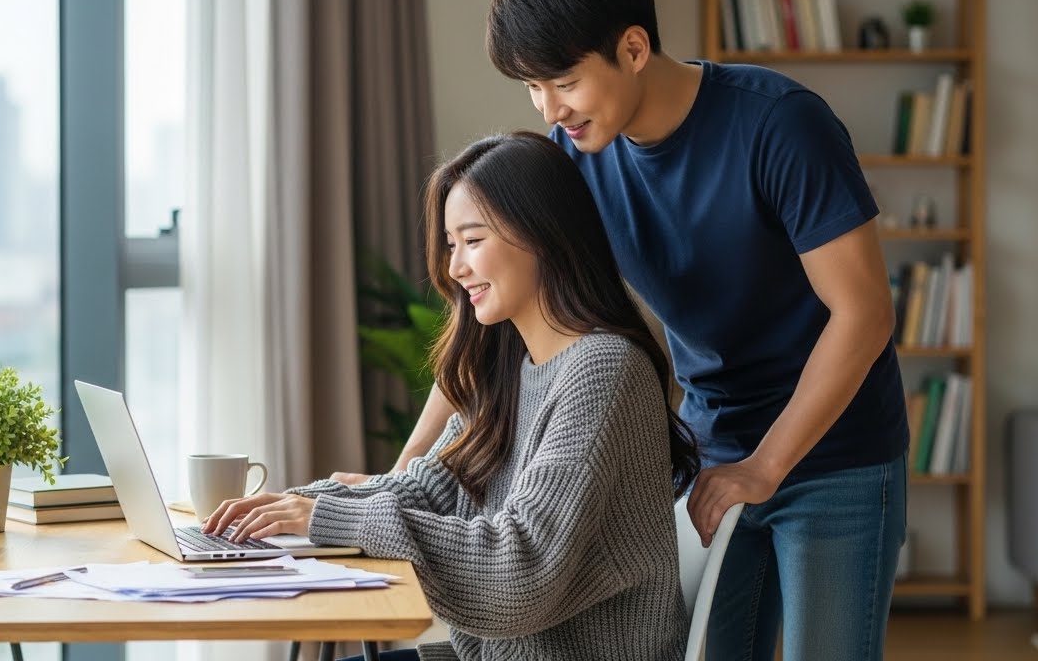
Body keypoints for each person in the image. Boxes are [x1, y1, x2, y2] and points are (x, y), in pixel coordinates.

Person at [381, 0, 910, 661]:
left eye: (563, 81)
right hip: (713, 444)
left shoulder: (779, 124)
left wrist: (765, 466)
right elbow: (499, 316)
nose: (549, 110)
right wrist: (407, 468)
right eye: (532, 88)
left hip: (834, 453)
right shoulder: (575, 156)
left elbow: (864, 313)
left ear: (633, 48)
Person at [203, 131, 701, 660]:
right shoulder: (509, 373)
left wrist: (326, 517)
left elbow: (519, 571)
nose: (455, 268)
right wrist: (288, 508)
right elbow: (424, 490)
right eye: (450, 244)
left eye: (473, 240)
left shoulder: (604, 369)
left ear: (544, 236)